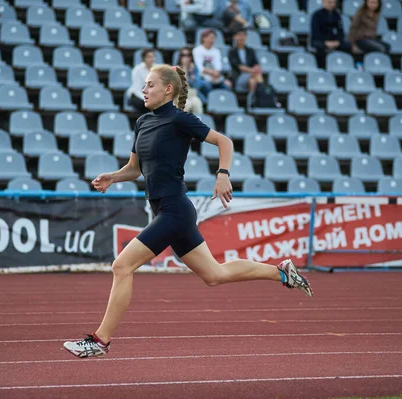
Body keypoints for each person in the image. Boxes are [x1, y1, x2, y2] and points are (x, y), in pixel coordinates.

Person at [63, 64, 313, 359]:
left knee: (122, 266)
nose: (144, 90)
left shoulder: (181, 120)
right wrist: (112, 177)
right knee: (214, 275)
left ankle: (100, 341)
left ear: (168, 89)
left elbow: (225, 142)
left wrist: (223, 174)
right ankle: (281, 272)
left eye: (150, 84)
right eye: (144, 85)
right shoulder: (142, 122)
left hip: (175, 210)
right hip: (166, 212)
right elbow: (134, 169)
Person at [311, 0, 352, 68]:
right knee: (320, 48)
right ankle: (322, 67)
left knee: (347, 45)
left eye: (333, 2)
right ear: (323, 2)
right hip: (320, 40)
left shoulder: (337, 15)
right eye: (329, 2)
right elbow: (315, 32)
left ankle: (345, 66)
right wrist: (325, 42)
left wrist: (338, 41)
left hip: (334, 40)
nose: (332, 4)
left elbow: (340, 31)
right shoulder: (316, 15)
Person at [192, 29, 232, 94]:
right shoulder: (197, 50)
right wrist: (212, 73)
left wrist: (216, 73)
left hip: (215, 77)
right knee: (207, 86)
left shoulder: (216, 51)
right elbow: (200, 68)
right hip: (202, 77)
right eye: (210, 38)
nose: (212, 40)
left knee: (227, 87)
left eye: (213, 38)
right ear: (203, 38)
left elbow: (218, 67)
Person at [228, 29, 264, 93]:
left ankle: (252, 101)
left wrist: (257, 68)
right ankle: (264, 95)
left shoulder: (250, 50)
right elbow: (239, 67)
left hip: (251, 76)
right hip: (239, 76)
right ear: (235, 37)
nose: (241, 38)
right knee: (257, 77)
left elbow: (256, 63)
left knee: (252, 82)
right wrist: (253, 71)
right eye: (239, 36)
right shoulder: (232, 52)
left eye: (243, 35)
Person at [128, 49, 157, 114]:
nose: (152, 59)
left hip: (152, 94)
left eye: (153, 57)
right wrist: (147, 99)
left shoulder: (158, 69)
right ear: (144, 58)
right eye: (149, 57)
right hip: (138, 95)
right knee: (143, 103)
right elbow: (137, 90)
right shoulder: (137, 70)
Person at [177, 47, 205, 113]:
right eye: (183, 55)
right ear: (180, 57)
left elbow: (197, 85)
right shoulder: (176, 69)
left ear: (191, 57)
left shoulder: (194, 69)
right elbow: (178, 86)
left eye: (188, 55)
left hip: (192, 94)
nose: (186, 58)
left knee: (197, 103)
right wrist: (185, 69)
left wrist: (192, 73)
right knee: (186, 105)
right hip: (180, 95)